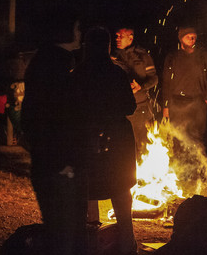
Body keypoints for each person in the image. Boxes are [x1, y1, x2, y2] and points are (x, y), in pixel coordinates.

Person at [21, 8, 86, 255]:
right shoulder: (55, 65)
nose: (80, 33)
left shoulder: (51, 61)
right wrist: (63, 162)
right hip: (57, 167)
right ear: (65, 31)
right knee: (62, 238)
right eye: (77, 28)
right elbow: (54, 118)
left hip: (51, 163)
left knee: (63, 235)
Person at [71, 26, 137, 255]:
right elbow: (130, 106)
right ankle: (128, 244)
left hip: (85, 139)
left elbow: (68, 110)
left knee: (87, 189)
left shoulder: (77, 75)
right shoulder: (116, 73)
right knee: (119, 189)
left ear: (87, 48)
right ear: (108, 47)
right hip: (117, 140)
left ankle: (87, 243)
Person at [161, 26, 207, 144]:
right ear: (181, 39)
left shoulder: (204, 56)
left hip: (197, 102)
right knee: (177, 136)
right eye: (188, 37)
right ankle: (178, 162)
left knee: (196, 137)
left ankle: (196, 161)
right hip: (177, 103)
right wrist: (166, 106)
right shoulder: (173, 57)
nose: (192, 39)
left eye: (194, 37)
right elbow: (166, 82)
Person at [112, 27, 158, 159]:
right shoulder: (113, 56)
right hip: (120, 108)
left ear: (130, 38)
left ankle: (144, 174)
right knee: (123, 144)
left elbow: (154, 78)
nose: (117, 39)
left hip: (139, 107)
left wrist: (141, 87)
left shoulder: (142, 56)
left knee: (141, 142)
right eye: (116, 36)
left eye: (121, 36)